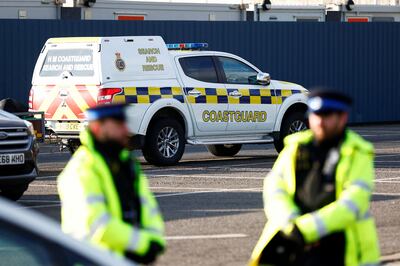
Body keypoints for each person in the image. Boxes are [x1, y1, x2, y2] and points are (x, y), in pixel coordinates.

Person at [249, 90, 380, 266]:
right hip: (294, 244)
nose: (319, 121)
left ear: (342, 118)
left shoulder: (358, 152)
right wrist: (290, 223)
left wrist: (305, 229)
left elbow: (354, 203)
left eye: (326, 115)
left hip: (340, 250)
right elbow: (274, 188)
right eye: (315, 114)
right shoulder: (295, 147)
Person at [57, 103, 165, 264]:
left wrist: (155, 240)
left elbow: (147, 207)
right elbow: (95, 224)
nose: (125, 130)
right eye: (118, 124)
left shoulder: (127, 164)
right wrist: (142, 244)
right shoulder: (82, 168)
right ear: (97, 128)